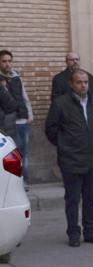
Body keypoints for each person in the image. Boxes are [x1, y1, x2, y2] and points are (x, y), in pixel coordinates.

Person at [45, 69, 93, 247]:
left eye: (86, 82)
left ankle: (90, 232)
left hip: (92, 158)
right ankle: (73, 233)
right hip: (71, 159)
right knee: (72, 199)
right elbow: (51, 129)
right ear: (72, 84)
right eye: (79, 82)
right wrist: (65, 146)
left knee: (91, 199)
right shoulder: (60, 103)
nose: (83, 85)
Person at [0, 49, 34, 187]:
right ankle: (13, 183)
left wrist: (30, 114)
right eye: (4, 61)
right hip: (7, 122)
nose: (7, 64)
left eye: (9, 61)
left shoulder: (16, 77)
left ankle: (24, 181)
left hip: (23, 121)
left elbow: (24, 97)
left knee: (23, 153)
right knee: (11, 155)